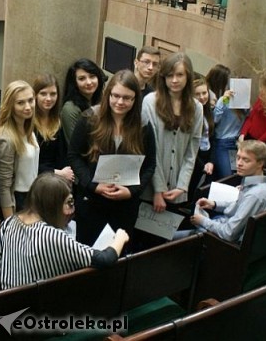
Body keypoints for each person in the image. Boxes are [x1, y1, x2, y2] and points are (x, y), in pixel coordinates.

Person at [0, 173, 129, 290]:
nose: (70, 210)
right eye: (68, 202)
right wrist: (120, 238)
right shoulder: (52, 235)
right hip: (39, 309)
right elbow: (105, 259)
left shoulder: (10, 222)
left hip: (9, 302)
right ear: (52, 204)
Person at [68, 70, 156, 247]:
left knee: (118, 256)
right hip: (91, 202)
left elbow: (150, 165)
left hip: (125, 206)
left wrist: (132, 191)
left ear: (135, 100)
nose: (120, 102)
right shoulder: (89, 118)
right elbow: (74, 156)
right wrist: (94, 185)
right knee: (88, 254)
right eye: (115, 96)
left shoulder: (143, 125)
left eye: (127, 98)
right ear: (108, 94)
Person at [141, 53, 203, 215]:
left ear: (188, 76)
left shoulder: (197, 107)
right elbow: (149, 148)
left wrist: (182, 186)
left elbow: (192, 151)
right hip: (150, 188)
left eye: (180, 75)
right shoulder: (150, 101)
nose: (174, 80)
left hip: (177, 189)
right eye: (170, 75)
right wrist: (158, 189)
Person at [186, 140, 266, 243]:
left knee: (175, 238)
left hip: (225, 244)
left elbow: (229, 233)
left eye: (246, 160)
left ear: (260, 163)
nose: (239, 163)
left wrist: (203, 221)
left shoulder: (255, 195)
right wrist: (214, 204)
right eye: (238, 157)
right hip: (228, 226)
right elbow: (240, 204)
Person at [0, 80, 39, 217]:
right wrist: (10, 222)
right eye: (20, 103)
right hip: (17, 200)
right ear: (10, 105)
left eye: (30, 100)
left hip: (33, 195)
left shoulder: (28, 130)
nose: (28, 106)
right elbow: (3, 185)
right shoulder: (5, 138)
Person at [207, 64, 248, 179]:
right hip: (223, 143)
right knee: (227, 176)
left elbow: (249, 119)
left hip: (236, 143)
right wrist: (223, 100)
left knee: (234, 174)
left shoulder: (243, 104)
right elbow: (215, 119)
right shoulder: (224, 100)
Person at [32, 74, 73, 183]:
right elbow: (26, 164)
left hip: (56, 183)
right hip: (36, 182)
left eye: (53, 94)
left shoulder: (58, 121)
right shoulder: (29, 123)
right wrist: (57, 172)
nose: (48, 98)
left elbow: (63, 155)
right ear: (35, 95)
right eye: (43, 94)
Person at [60, 58, 106, 144]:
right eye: (82, 79)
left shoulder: (100, 100)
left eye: (92, 76)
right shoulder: (70, 108)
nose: (88, 82)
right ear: (74, 83)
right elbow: (75, 145)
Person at [188, 77, 215, 202]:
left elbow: (211, 136)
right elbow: (190, 144)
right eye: (197, 94)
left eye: (204, 93)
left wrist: (210, 161)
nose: (202, 97)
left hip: (205, 153)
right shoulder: (191, 113)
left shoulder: (208, 111)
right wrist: (202, 164)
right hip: (195, 156)